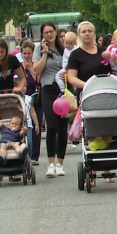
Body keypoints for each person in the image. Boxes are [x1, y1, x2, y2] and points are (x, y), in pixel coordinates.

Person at [67, 21, 114, 182]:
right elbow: (72, 77)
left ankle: (107, 168)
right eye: (83, 31)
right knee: (92, 132)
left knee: (107, 130)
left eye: (89, 31)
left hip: (105, 94)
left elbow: (112, 68)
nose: (87, 34)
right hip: (88, 94)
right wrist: (87, 84)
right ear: (79, 35)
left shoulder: (103, 52)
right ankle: (92, 170)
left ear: (94, 33)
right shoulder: (76, 55)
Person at [33, 22, 68, 178]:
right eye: (46, 32)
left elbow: (70, 67)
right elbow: (37, 69)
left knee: (62, 127)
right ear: (42, 35)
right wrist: (45, 53)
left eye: (51, 31)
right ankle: (51, 163)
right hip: (48, 88)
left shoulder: (63, 49)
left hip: (63, 89)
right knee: (51, 125)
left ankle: (60, 163)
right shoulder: (38, 49)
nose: (49, 34)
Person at [20, 40, 42, 165]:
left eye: (29, 53)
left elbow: (38, 81)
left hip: (35, 98)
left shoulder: (36, 65)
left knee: (35, 126)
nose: (27, 56)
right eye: (25, 53)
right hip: (22, 99)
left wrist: (30, 69)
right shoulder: (18, 67)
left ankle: (34, 155)